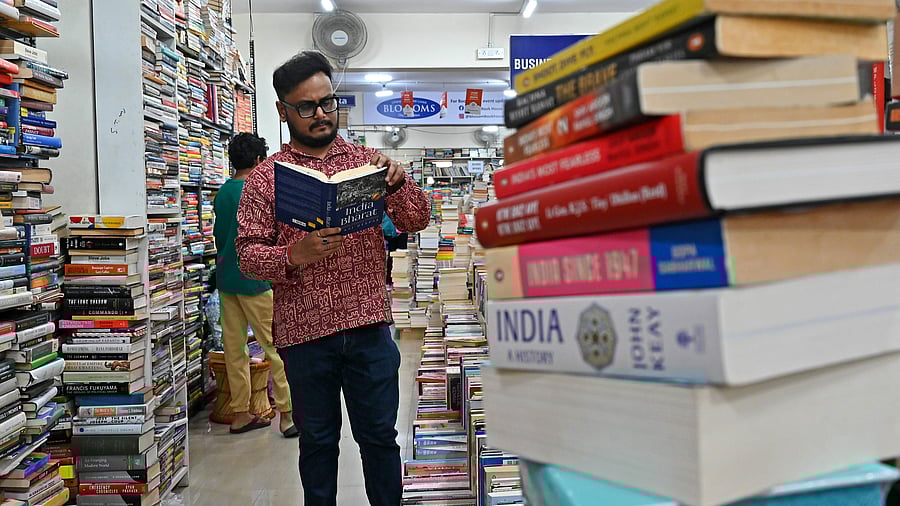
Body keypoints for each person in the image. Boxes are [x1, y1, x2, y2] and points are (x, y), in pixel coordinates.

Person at [235, 51, 430, 506]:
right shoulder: (265, 180)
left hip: (368, 329)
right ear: (283, 112)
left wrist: (400, 185)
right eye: (306, 107)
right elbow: (246, 256)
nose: (321, 114)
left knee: (380, 439)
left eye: (328, 102)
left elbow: (417, 219)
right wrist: (292, 255)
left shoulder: (369, 163)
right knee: (318, 444)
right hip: (305, 338)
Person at [213, 132, 297, 438]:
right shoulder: (260, 189)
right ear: (260, 161)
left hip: (226, 280)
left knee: (234, 350)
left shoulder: (222, 193)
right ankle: (288, 415)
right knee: (276, 348)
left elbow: (220, 237)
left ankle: (240, 414)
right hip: (256, 280)